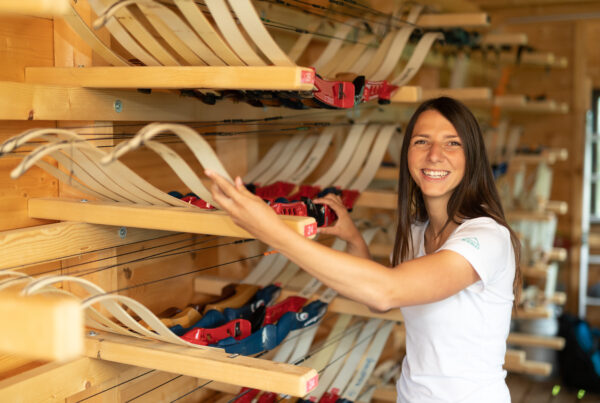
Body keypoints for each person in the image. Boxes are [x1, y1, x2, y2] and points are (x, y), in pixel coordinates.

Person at [205, 96, 521, 403]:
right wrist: (354, 239)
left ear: (472, 156)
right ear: (408, 153)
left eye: (452, 142)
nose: (435, 154)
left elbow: (386, 291)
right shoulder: (416, 233)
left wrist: (272, 231)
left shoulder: (488, 238)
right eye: (421, 141)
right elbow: (381, 303)